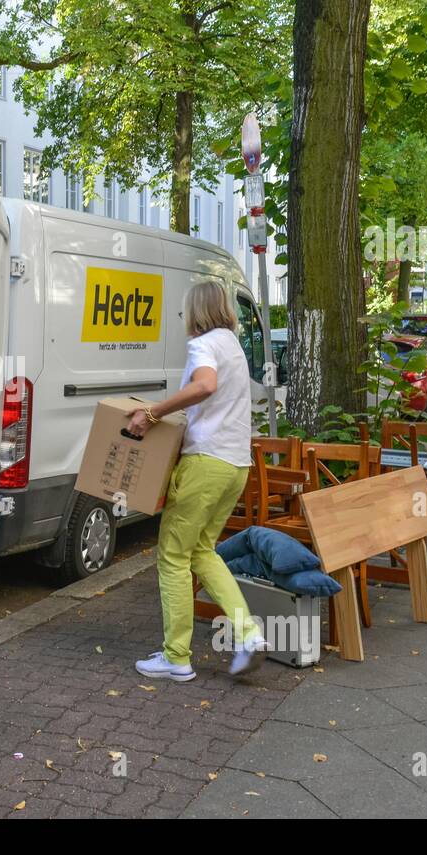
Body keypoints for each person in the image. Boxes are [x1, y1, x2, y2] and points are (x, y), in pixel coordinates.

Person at [125, 280, 271, 681]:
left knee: (172, 555)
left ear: (195, 311)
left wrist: (153, 413)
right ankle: (249, 633)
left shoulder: (203, 344)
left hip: (205, 463)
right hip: (235, 465)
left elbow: (204, 385)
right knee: (203, 552)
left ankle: (176, 657)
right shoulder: (233, 346)